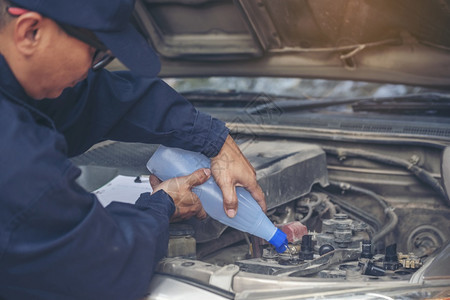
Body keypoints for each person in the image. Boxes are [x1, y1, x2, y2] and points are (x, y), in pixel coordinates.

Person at [0, 0, 266, 299]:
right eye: (96, 53)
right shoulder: (14, 153)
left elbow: (98, 98)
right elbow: (105, 269)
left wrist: (216, 141)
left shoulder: (17, 83)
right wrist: (161, 205)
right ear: (31, 31)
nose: (92, 70)